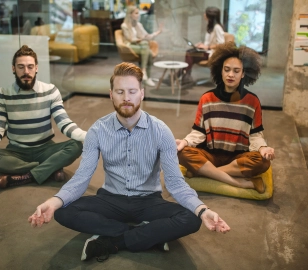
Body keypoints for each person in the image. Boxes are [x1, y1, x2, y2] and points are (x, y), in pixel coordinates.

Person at [28, 62, 230, 262]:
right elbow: (81, 177)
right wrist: (53, 201)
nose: (126, 98)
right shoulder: (97, 131)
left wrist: (203, 210)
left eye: (132, 91)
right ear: (111, 94)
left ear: (141, 93)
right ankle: (148, 234)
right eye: (120, 92)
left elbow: (175, 182)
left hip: (148, 200)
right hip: (111, 198)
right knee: (62, 210)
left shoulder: (161, 131)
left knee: (192, 219)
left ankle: (113, 241)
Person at [0, 45, 86, 189]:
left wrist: (88, 136)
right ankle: (49, 168)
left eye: (30, 67)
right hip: (16, 151)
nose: (26, 72)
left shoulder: (50, 91)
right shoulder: (2, 94)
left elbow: (64, 123)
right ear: (13, 69)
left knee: (76, 145)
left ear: (36, 68)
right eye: (21, 67)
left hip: (46, 148)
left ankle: (25, 176)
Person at [176, 43, 275, 194]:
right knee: (181, 152)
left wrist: (263, 148)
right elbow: (198, 132)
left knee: (262, 162)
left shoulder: (252, 101)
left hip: (238, 157)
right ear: (220, 71)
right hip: (211, 154)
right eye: (227, 69)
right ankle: (240, 183)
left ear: (243, 74)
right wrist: (185, 141)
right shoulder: (207, 98)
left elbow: (255, 135)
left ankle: (205, 172)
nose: (230, 75)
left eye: (236, 71)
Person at [175, 6, 225, 85]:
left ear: (210, 15)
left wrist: (207, 47)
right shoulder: (210, 26)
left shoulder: (217, 28)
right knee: (190, 54)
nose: (204, 14)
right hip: (206, 51)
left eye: (206, 13)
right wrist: (201, 45)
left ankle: (180, 76)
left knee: (189, 54)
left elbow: (222, 44)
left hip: (212, 53)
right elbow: (208, 42)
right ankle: (184, 76)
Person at [121, 6, 163, 87]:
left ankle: (146, 76)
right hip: (130, 46)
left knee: (148, 51)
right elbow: (130, 39)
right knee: (145, 45)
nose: (138, 15)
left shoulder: (139, 25)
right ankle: (145, 74)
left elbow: (147, 36)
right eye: (136, 13)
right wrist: (141, 40)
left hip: (141, 46)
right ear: (130, 14)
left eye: (138, 13)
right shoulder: (124, 25)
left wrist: (158, 32)